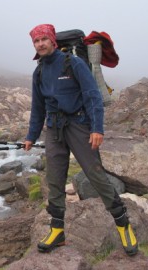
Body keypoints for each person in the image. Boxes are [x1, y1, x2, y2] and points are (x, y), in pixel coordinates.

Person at [23, 24, 138, 256]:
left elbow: (92, 95)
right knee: (54, 180)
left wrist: (97, 128)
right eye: (37, 41)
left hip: (79, 126)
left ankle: (123, 224)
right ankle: (57, 231)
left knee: (96, 175)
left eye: (44, 39)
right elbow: (38, 108)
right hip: (54, 129)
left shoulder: (72, 63)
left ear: (53, 41)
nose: (41, 44)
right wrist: (31, 136)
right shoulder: (39, 72)